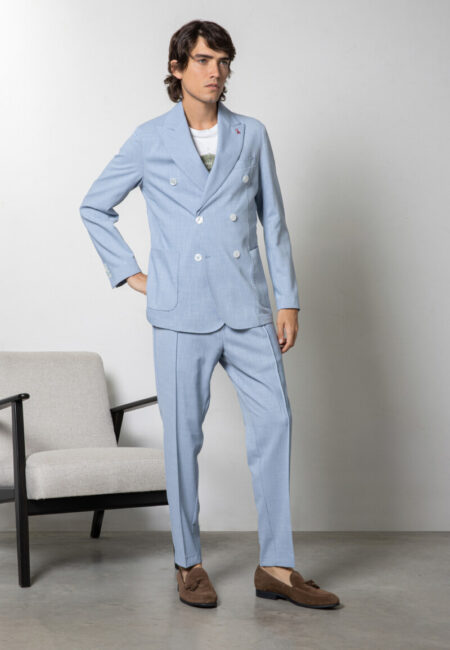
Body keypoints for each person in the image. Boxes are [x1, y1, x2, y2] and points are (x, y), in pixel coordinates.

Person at [80, 19, 340, 610]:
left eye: (223, 62)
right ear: (176, 69)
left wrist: (288, 299)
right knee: (184, 439)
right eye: (202, 60)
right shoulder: (150, 138)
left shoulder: (251, 134)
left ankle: (276, 566)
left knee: (275, 423)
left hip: (248, 307)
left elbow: (273, 220)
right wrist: (131, 274)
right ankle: (188, 562)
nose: (215, 72)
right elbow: (95, 206)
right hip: (180, 313)